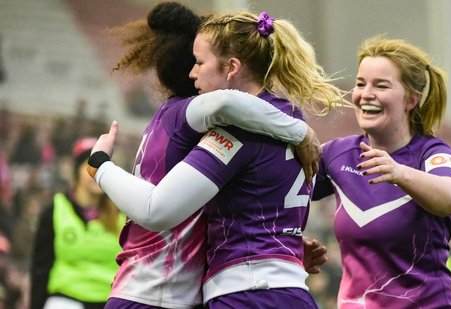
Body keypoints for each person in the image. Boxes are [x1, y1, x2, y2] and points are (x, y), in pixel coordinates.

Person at [88, 8, 346, 309]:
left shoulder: (238, 129)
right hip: (290, 292)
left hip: (244, 295)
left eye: (199, 63)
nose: (192, 72)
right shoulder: (284, 117)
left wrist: (100, 166)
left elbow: (155, 209)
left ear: (232, 67)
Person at [311, 36, 451, 308]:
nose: (365, 94)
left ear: (411, 100)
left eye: (380, 85)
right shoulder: (336, 154)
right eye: (361, 84)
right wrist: (286, 248)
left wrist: (399, 172)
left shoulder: (432, 153)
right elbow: (276, 192)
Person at [30, 137, 125, 309]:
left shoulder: (123, 213)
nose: (97, 174)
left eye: (103, 168)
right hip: (66, 298)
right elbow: (41, 267)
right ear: (76, 171)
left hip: (110, 300)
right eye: (91, 167)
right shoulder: (55, 210)